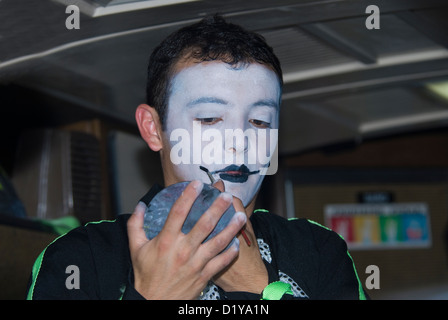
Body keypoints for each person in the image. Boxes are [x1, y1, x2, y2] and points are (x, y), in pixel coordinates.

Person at [26, 15, 367, 300]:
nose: (240, 143)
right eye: (209, 118)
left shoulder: (319, 251)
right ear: (153, 129)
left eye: (260, 121)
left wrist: (256, 287)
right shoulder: (81, 259)